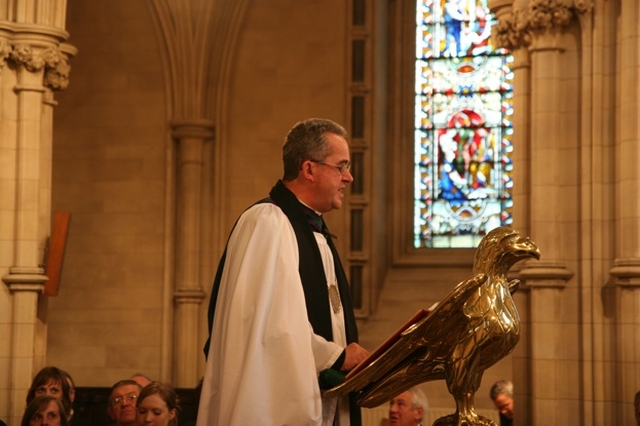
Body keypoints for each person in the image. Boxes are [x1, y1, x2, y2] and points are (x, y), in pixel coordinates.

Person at [197, 118, 369, 425]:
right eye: (341, 167)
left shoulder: (313, 231)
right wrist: (338, 358)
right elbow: (269, 326)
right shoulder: (267, 222)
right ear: (309, 169)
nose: (349, 178)